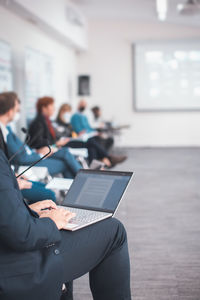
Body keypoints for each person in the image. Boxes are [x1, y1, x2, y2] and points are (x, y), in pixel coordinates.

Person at [0, 148, 131, 300]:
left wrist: (27, 211)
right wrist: (52, 222)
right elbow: (23, 235)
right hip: (15, 271)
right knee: (114, 231)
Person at [0, 92, 82, 179]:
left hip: (35, 154)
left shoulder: (8, 129)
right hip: (31, 159)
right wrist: (44, 152)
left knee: (66, 154)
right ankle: (83, 180)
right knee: (65, 156)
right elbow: (26, 151)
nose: (54, 109)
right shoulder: (38, 123)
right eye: (16, 109)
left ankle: (82, 183)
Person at [29, 97, 126, 167]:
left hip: (61, 143)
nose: (54, 108)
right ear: (44, 108)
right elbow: (36, 142)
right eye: (52, 106)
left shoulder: (47, 121)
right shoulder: (39, 122)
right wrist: (55, 143)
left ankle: (96, 170)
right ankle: (107, 158)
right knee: (91, 142)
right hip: (56, 146)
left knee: (91, 147)